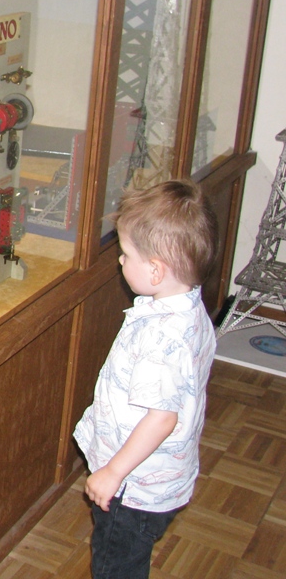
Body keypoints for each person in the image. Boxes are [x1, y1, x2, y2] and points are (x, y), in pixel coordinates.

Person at [74, 178, 219, 578]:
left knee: (116, 564)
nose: (120, 261)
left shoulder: (161, 338)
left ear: (155, 270)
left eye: (126, 254)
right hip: (162, 478)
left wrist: (113, 472)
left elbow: (161, 418)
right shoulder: (190, 309)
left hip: (135, 489)